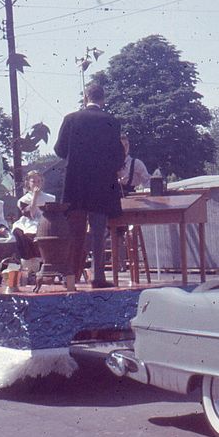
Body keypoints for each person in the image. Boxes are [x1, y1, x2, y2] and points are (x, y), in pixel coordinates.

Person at [54, 83, 125, 289]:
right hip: (102, 187)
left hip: (75, 184)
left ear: (86, 97)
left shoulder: (71, 119)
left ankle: (71, 278)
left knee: (75, 232)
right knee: (98, 233)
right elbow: (119, 155)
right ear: (103, 99)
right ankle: (98, 277)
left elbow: (59, 150)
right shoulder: (112, 122)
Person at [11, 170, 56, 279]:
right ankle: (30, 268)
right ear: (28, 183)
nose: (36, 183)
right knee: (23, 233)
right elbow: (30, 214)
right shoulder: (24, 199)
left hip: (45, 221)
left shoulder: (50, 198)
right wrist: (35, 196)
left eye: (39, 181)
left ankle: (46, 267)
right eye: (33, 181)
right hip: (30, 221)